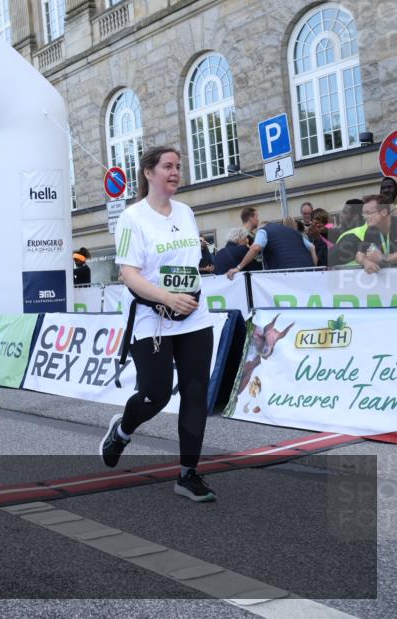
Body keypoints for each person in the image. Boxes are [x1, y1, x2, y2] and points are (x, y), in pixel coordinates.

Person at [102, 146, 217, 502]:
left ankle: (188, 474)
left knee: (196, 392)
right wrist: (166, 298)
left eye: (178, 167)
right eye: (168, 166)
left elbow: (190, 264)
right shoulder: (132, 218)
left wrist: (187, 294)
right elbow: (128, 274)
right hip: (151, 318)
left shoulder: (186, 212)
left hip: (193, 315)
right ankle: (122, 430)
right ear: (149, 173)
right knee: (156, 394)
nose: (175, 172)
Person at [227, 217, 316, 278]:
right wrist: (314, 267)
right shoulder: (292, 231)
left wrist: (238, 268)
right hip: (307, 272)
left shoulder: (263, 231)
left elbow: (256, 248)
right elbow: (312, 247)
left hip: (286, 274)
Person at [333, 194, 394, 273]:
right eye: (364, 213)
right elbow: (359, 255)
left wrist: (383, 258)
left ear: (383, 212)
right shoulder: (370, 231)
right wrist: (366, 262)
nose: (365, 217)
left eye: (369, 213)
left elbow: (381, 258)